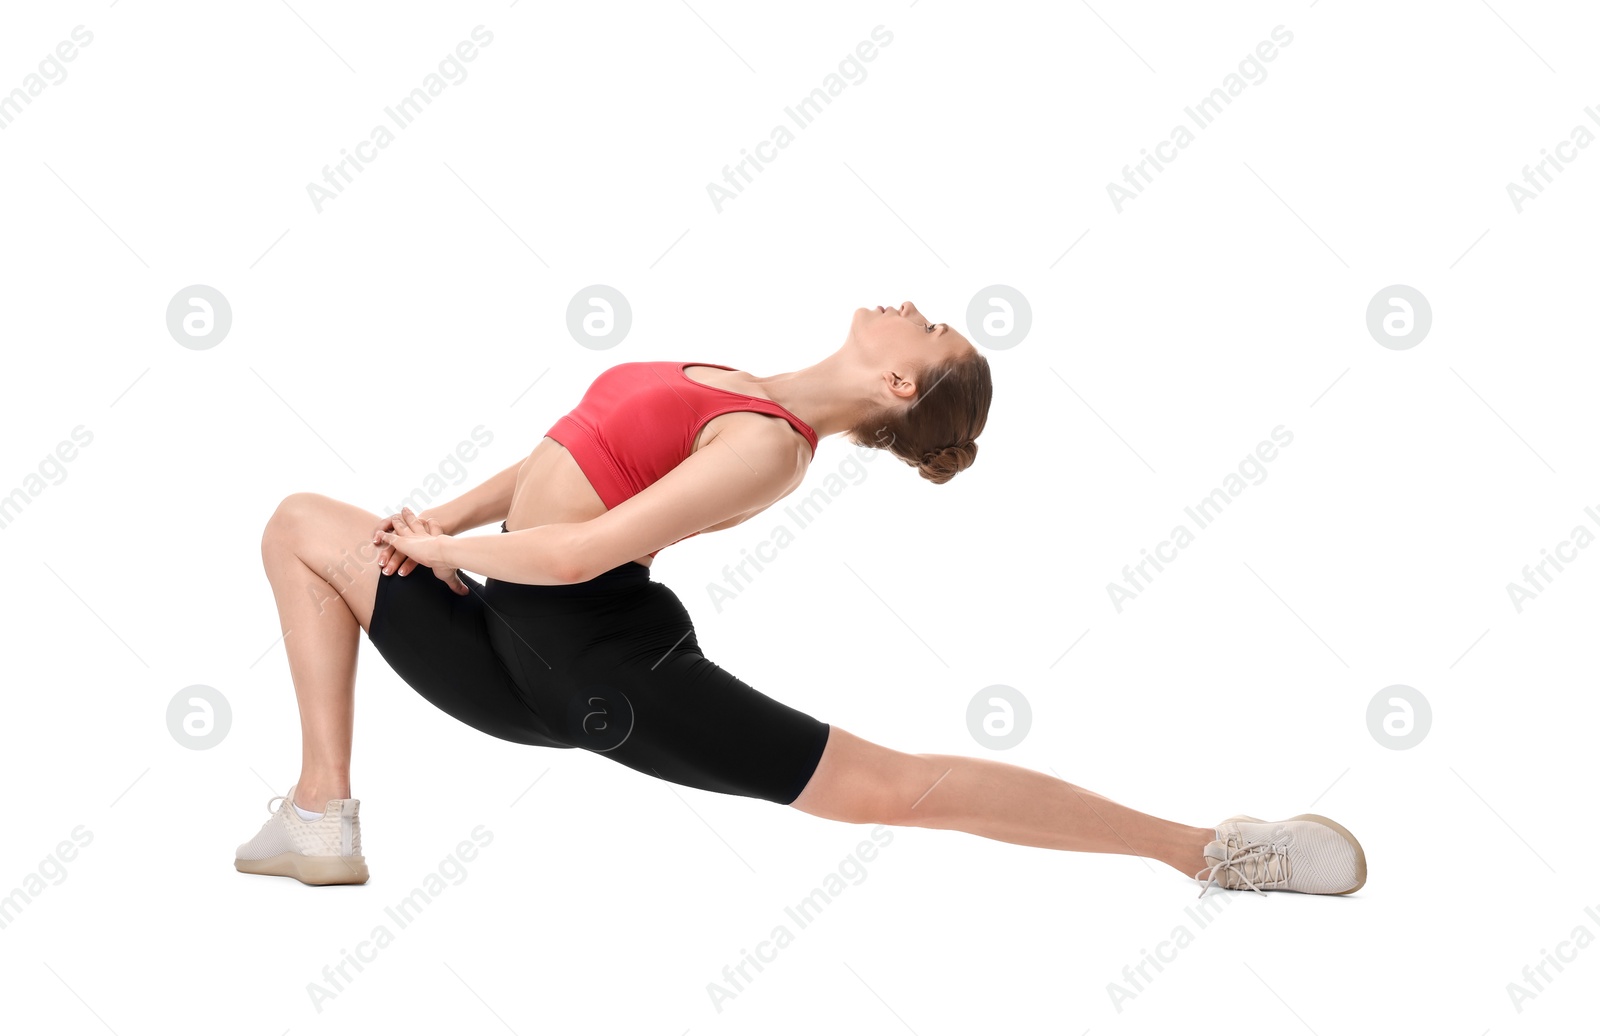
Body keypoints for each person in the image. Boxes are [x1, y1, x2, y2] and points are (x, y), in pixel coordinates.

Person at [237, 300, 1365, 897]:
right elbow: (559, 454)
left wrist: (448, 559)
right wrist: (434, 525)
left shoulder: (768, 448)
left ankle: (1206, 850)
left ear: (898, 383)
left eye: (928, 327)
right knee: (302, 524)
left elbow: (580, 550)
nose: (913, 305)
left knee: (894, 788)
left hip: (604, 674)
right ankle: (321, 813)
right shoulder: (739, 382)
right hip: (510, 631)